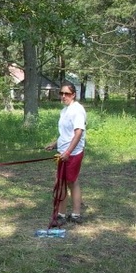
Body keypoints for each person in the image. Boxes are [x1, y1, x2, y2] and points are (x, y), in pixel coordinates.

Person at [45, 81, 86, 225]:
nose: (63, 96)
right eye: (61, 93)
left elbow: (78, 133)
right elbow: (65, 134)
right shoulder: (64, 111)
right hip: (63, 152)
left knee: (68, 182)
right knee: (64, 182)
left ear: (73, 94)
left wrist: (68, 151)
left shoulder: (77, 110)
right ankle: (66, 214)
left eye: (66, 93)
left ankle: (71, 215)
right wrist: (54, 144)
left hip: (73, 153)